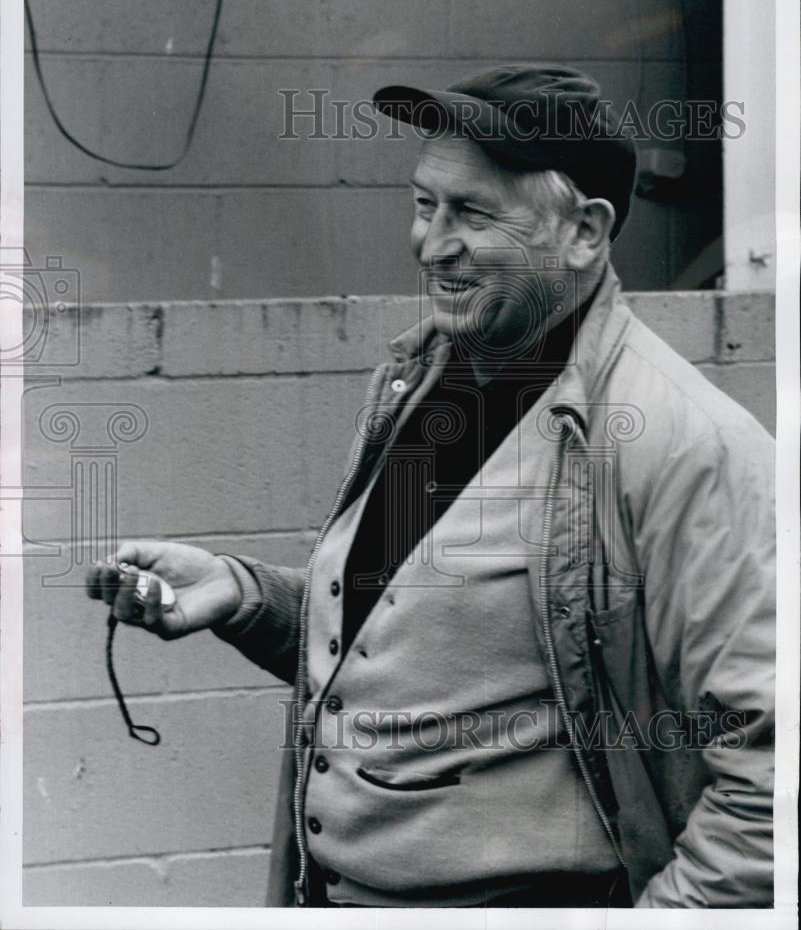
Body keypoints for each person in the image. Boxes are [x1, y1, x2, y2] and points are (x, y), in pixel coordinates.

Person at [85, 65, 775, 909]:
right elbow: (424, 653)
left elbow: (770, 777)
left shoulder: (682, 444)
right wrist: (243, 597)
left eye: (473, 214)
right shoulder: (425, 382)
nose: (429, 243)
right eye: (423, 205)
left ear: (585, 233)